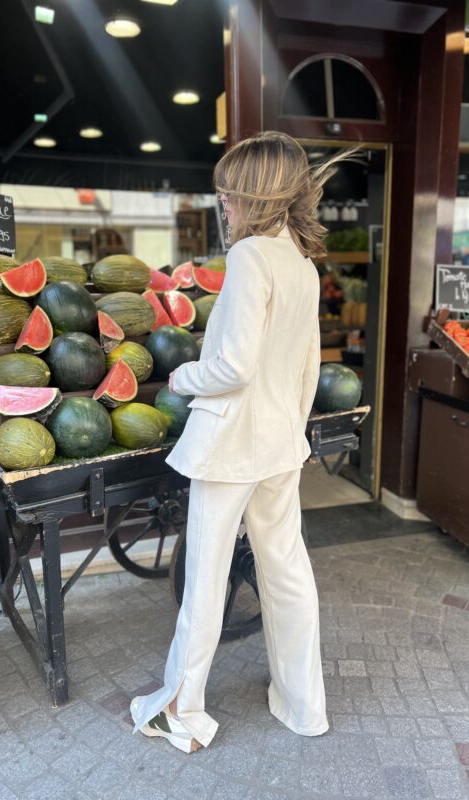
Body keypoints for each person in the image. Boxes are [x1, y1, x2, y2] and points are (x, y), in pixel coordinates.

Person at [130, 131, 349, 753]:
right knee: (287, 571)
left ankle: (184, 710)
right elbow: (308, 370)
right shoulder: (303, 265)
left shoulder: (252, 257)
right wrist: (288, 426)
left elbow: (232, 366)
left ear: (252, 196)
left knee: (205, 575)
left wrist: (184, 376)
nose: (222, 202)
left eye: (227, 192)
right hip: (280, 443)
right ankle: (305, 706)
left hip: (230, 447)